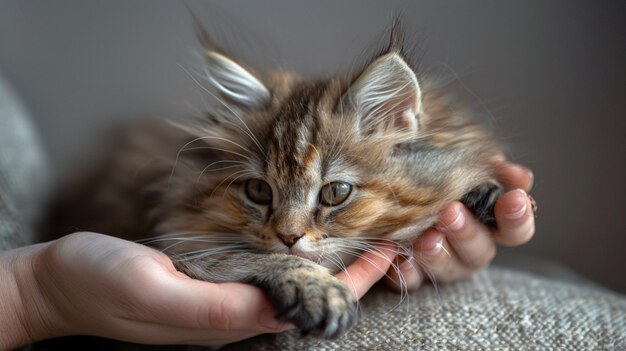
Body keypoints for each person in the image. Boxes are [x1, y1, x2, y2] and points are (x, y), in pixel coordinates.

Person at [0, 74, 535, 349]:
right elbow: (190, 247)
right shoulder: (185, 194)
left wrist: (452, 206)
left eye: (332, 194)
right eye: (260, 193)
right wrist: (36, 296)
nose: (288, 231)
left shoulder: (413, 163)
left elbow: (440, 176)